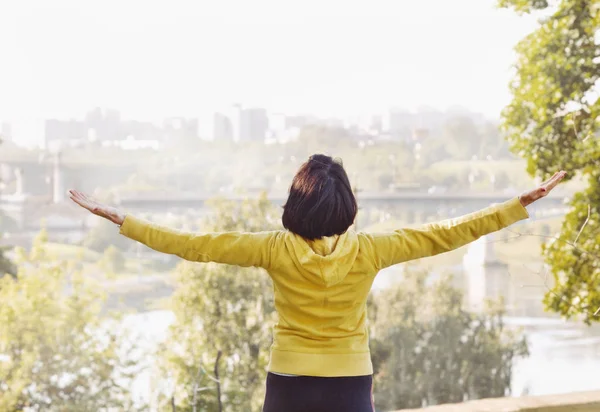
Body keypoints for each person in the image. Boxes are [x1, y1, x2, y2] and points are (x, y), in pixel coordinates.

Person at [69, 154, 566, 412]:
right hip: (350, 382)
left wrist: (123, 220)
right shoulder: (372, 249)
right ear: (347, 206)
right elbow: (445, 235)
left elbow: (193, 243)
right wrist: (516, 205)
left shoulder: (271, 248)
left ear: (296, 204)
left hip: (288, 381)